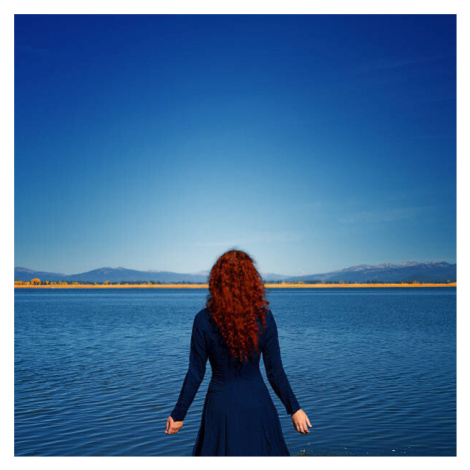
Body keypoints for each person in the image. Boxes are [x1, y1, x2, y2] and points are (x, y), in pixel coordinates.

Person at [165, 249, 312, 456]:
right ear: (252, 281)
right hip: (258, 405)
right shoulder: (263, 319)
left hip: (220, 407)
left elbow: (195, 373)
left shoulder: (203, 320)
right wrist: (294, 409)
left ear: (216, 281)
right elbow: (275, 372)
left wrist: (179, 414)